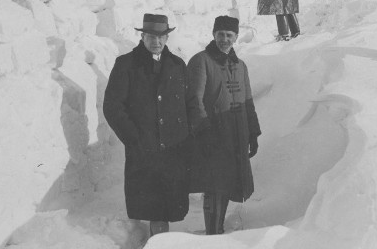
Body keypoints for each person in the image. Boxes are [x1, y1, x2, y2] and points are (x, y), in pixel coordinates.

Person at [103, 14, 198, 237]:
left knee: (167, 204)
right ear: (142, 36)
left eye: (161, 37)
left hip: (173, 148)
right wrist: (134, 138)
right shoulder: (126, 64)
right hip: (145, 147)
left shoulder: (176, 64)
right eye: (151, 37)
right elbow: (113, 107)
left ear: (167, 38)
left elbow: (190, 102)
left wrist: (187, 133)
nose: (156, 42)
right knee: (155, 207)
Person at [187, 15, 261, 235]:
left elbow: (248, 101)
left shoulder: (240, 66)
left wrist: (253, 133)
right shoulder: (201, 61)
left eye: (229, 35)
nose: (224, 39)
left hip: (236, 135)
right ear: (213, 34)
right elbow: (194, 100)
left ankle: (218, 231)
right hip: (213, 136)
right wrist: (203, 132)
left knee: (228, 183)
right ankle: (213, 233)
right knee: (214, 185)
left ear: (236, 37)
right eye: (220, 34)